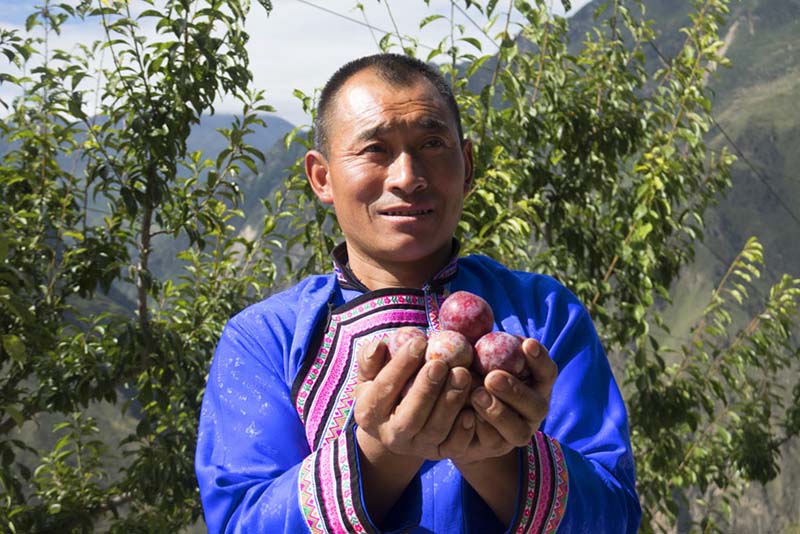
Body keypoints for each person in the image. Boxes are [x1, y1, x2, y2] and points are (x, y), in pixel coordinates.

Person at [195, 53, 641, 533]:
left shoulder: (546, 314)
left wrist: (497, 458)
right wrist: (381, 451)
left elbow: (613, 515)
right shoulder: (265, 339)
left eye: (431, 143)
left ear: (467, 166)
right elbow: (241, 520)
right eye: (375, 149)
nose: (407, 177)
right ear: (322, 178)